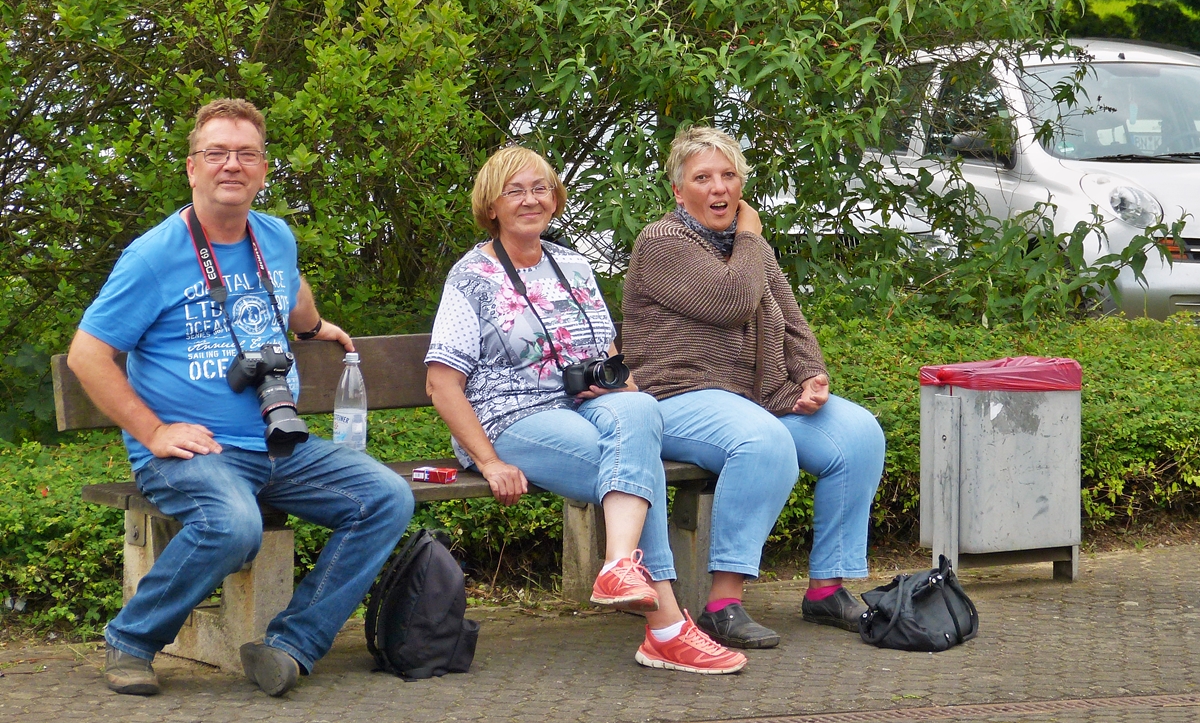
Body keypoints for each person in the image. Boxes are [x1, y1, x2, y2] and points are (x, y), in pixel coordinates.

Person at [67, 99, 413, 697]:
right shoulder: (154, 256)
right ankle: (132, 641)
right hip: (192, 453)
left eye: (246, 153)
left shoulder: (274, 235)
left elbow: (290, 284)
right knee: (233, 525)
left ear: (263, 168)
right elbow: (87, 355)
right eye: (217, 153)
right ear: (192, 168)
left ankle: (289, 645)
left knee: (384, 497)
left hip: (278, 442)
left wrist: (311, 328)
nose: (232, 164)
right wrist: (152, 433)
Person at [424, 145, 745, 674]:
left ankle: (620, 567)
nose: (531, 200)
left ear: (556, 198)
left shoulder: (571, 263)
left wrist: (628, 395)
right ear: (491, 206)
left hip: (582, 406)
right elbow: (441, 383)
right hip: (508, 419)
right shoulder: (471, 277)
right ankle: (666, 628)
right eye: (516, 191)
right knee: (638, 473)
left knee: (640, 412)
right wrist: (489, 462)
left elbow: (609, 352)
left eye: (541, 188)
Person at [622, 126, 886, 650]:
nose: (719, 189)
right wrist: (751, 235)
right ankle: (723, 603)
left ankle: (827, 588)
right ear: (678, 191)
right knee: (764, 441)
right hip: (674, 395)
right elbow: (732, 301)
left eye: (729, 176)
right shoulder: (661, 242)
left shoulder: (749, 247)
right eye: (702, 178)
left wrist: (811, 374)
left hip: (753, 394)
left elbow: (790, 316)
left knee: (857, 435)